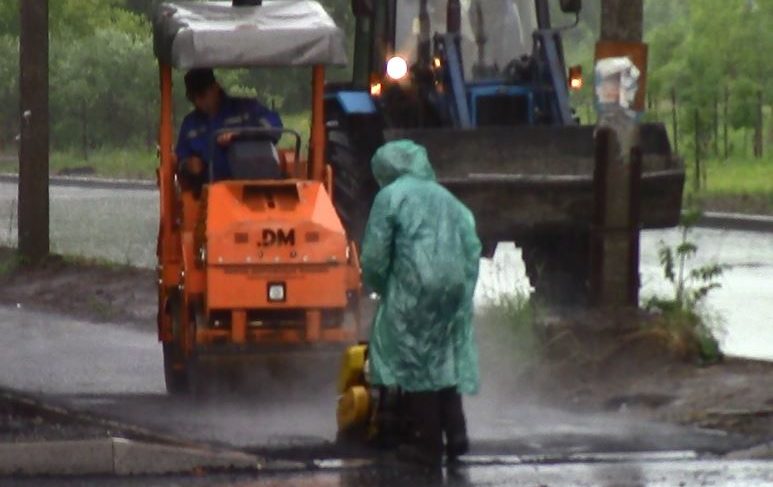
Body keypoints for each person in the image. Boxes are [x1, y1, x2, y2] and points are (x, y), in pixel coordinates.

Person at [360, 140, 482, 466]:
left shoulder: (390, 197)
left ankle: (426, 443)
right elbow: (472, 245)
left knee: (413, 359)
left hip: (413, 287)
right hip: (453, 286)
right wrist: (462, 288)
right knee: (441, 355)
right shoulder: (448, 198)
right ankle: (456, 434)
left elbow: (374, 256)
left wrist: (383, 287)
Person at [175, 68, 283, 183]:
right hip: (211, 188)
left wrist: (239, 136)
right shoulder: (190, 124)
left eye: (201, 95)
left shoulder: (247, 109)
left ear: (215, 87)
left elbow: (275, 128)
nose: (197, 102)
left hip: (255, 183)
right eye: (192, 98)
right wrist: (188, 165)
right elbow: (181, 158)